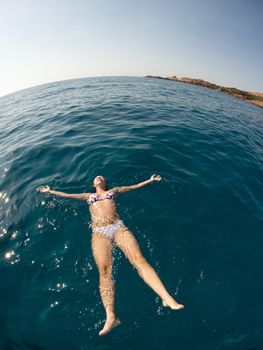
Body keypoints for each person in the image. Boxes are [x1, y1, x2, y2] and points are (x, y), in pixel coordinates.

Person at [37, 174, 184, 336]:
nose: (99, 177)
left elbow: (134, 186)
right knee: (104, 271)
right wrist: (50, 191)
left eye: (102, 177)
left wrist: (150, 180)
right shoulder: (88, 196)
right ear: (93, 184)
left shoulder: (114, 191)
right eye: (96, 177)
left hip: (118, 227)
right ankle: (111, 317)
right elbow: (69, 195)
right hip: (100, 233)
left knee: (139, 260)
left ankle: (166, 297)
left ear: (105, 182)